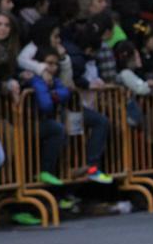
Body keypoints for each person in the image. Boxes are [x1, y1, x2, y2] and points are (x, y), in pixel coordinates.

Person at [61, 21, 113, 184]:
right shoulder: (78, 59)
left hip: (81, 105)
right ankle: (92, 167)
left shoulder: (82, 58)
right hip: (73, 106)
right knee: (101, 122)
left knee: (80, 138)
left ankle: (89, 168)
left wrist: (96, 82)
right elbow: (75, 78)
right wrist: (88, 84)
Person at [30, 46, 69, 186]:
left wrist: (54, 94)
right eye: (49, 63)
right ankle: (45, 171)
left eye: (55, 64)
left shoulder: (54, 80)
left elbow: (65, 92)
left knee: (60, 131)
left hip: (43, 121)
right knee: (57, 129)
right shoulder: (35, 78)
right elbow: (45, 105)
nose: (53, 67)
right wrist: (52, 94)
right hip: (29, 123)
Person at [17, 17, 74, 89]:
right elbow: (21, 60)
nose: (59, 40)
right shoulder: (33, 47)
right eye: (55, 37)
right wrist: (42, 69)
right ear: (45, 35)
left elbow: (65, 84)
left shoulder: (56, 51)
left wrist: (64, 59)